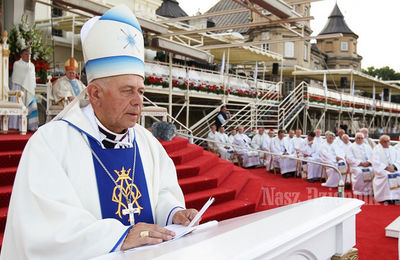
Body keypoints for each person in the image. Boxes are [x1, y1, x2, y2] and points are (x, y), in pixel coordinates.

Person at [1, 6, 199, 259]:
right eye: (127, 91)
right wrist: (119, 236)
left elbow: (161, 191)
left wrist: (174, 213)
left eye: (140, 90)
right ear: (95, 94)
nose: (139, 101)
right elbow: (48, 227)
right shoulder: (50, 144)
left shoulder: (146, 142)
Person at [9, 47, 38, 131]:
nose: (27, 56)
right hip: (19, 87)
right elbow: (18, 76)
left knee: (30, 105)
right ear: (21, 55)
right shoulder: (17, 64)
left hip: (29, 89)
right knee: (18, 105)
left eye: (29, 54)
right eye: (25, 54)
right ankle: (15, 126)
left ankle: (30, 126)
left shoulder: (31, 65)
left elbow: (32, 78)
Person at [371, 135, 400, 203]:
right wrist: (386, 167)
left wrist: (394, 166)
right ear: (380, 142)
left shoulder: (394, 149)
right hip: (383, 170)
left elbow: (398, 160)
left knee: (398, 174)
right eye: (384, 141)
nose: (387, 143)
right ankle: (387, 197)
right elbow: (376, 162)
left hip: (393, 169)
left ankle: (396, 197)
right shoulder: (376, 150)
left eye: (388, 141)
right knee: (387, 176)